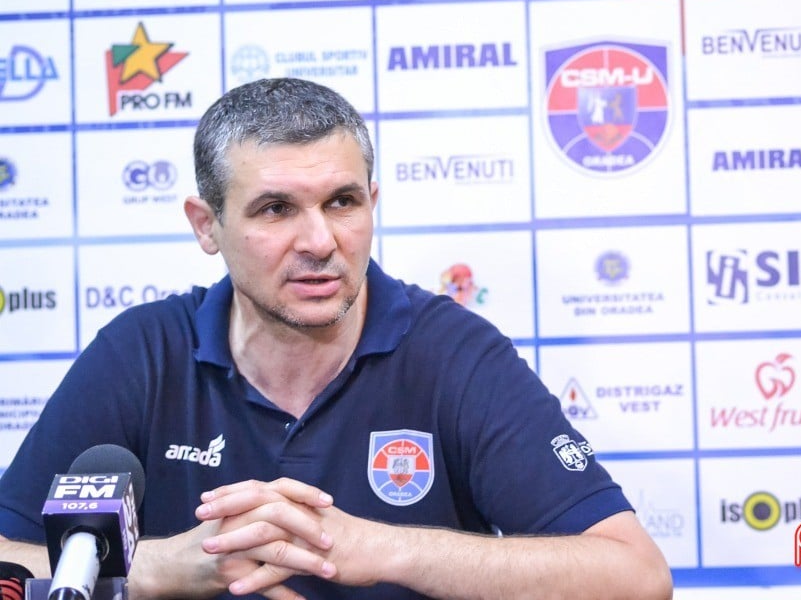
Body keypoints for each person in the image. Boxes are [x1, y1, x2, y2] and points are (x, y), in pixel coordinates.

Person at [0, 78, 673, 600]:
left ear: (372, 203)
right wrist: (163, 568)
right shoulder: (142, 354)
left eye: (342, 202)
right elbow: (9, 555)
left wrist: (381, 549)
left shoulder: (455, 355)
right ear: (206, 226)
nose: (320, 241)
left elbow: (635, 577)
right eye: (276, 209)